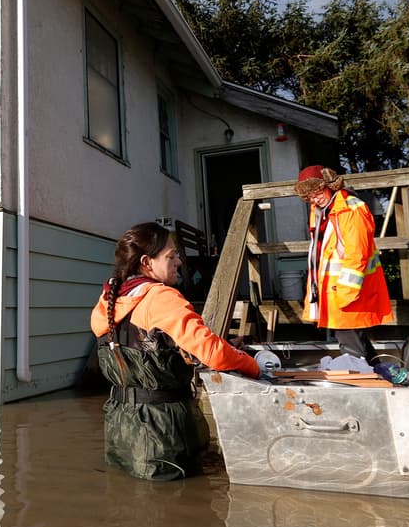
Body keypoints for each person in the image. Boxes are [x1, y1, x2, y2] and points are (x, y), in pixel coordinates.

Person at [90, 221, 263, 481]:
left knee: (128, 497)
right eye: (171, 256)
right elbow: (213, 353)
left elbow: (146, 346)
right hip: (162, 432)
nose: (179, 262)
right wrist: (253, 366)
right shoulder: (162, 298)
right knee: (180, 499)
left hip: (120, 429)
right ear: (147, 263)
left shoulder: (109, 300)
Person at [293, 165, 393, 361]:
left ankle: (363, 378)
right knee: (355, 340)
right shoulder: (320, 210)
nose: (314, 199)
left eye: (317, 192)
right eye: (309, 197)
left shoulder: (349, 208)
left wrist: (346, 293)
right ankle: (378, 372)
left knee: (351, 346)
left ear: (329, 186)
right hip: (333, 289)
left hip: (347, 290)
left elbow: (357, 254)